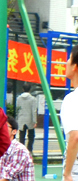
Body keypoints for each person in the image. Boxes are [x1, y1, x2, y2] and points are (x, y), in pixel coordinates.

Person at [0, 115, 35, 181]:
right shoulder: (1, 148)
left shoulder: (19, 150)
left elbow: (7, 177)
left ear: (14, 131)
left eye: (5, 126)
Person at [60, 46, 78, 181]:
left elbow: (75, 136)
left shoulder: (72, 99)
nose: (66, 62)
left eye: (69, 58)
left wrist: (67, 173)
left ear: (75, 67)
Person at [15, 83, 37, 154]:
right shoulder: (33, 99)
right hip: (29, 119)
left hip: (21, 119)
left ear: (23, 89)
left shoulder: (18, 98)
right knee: (31, 136)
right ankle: (29, 150)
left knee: (21, 136)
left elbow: (17, 109)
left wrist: (16, 119)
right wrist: (35, 121)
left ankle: (22, 150)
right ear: (30, 89)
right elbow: (34, 111)